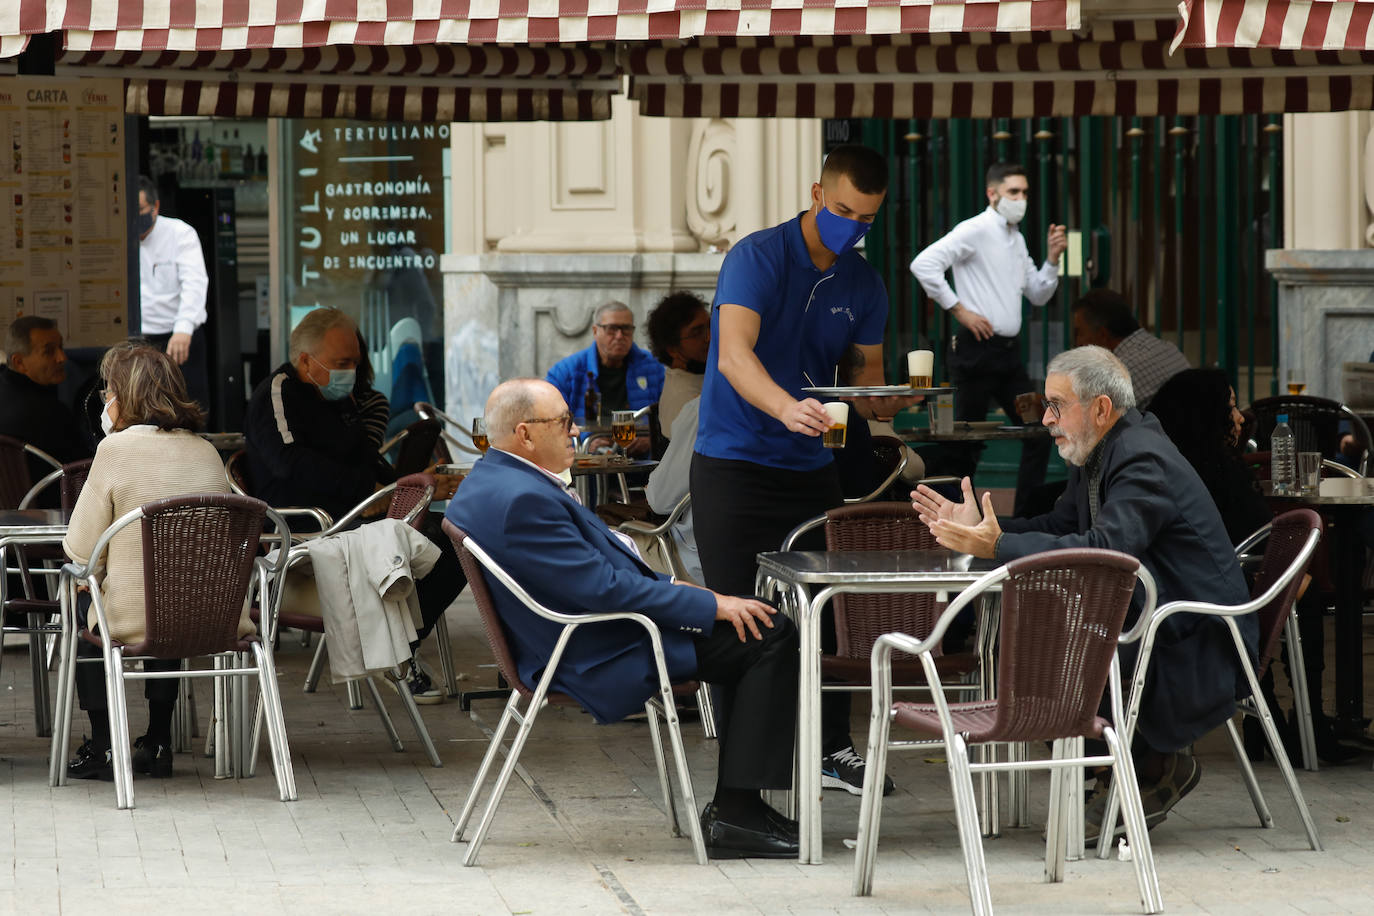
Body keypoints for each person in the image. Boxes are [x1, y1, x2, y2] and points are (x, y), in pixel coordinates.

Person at [447, 379, 800, 859]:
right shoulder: (521, 498)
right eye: (563, 423)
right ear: (526, 435)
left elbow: (595, 577)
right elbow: (602, 590)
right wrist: (709, 605)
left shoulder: (494, 479)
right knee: (768, 632)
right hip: (598, 650)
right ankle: (738, 812)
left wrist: (687, 594)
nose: (573, 432)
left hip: (589, 634)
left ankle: (742, 806)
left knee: (749, 621)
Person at [912, 346, 1253, 840]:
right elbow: (1060, 524)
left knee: (1066, 637)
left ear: (1099, 408)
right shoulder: (1100, 447)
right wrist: (988, 527)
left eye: (1057, 405)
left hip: (1199, 635)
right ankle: (1115, 770)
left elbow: (1107, 547)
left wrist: (999, 544)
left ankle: (1141, 769)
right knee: (1050, 631)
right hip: (1158, 619)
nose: (1047, 419)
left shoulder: (1140, 454)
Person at [691, 143, 915, 796]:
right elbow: (734, 356)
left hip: (812, 471)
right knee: (740, 619)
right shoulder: (757, 257)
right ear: (817, 193)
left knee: (828, 614)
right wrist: (788, 407)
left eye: (866, 220)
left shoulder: (865, 283)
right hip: (733, 466)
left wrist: (894, 399)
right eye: (844, 210)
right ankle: (740, 788)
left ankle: (829, 747)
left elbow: (866, 379)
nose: (853, 228)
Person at [243, 307, 464, 703]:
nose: (350, 372)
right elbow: (289, 463)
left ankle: (398, 651)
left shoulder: (341, 397)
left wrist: (400, 483)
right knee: (413, 545)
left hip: (355, 517)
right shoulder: (278, 393)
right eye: (341, 363)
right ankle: (390, 655)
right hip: (307, 529)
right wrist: (370, 491)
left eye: (355, 364)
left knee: (453, 544)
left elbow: (363, 456)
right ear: (306, 361)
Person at [62, 342, 229, 780]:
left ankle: (103, 743)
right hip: (212, 616)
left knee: (87, 601)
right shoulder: (207, 451)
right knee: (169, 591)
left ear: (125, 396)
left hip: (132, 618)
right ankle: (157, 737)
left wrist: (91, 576)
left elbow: (80, 550)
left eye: (107, 393)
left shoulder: (113, 451)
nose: (104, 402)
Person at [909, 162, 1066, 514]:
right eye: (1014, 192)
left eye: (1025, 192)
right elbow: (923, 264)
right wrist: (958, 309)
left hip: (1009, 356)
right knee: (965, 445)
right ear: (992, 194)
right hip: (975, 352)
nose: (1021, 199)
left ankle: (1027, 517)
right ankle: (961, 520)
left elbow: (1039, 293)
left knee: (1039, 431)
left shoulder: (1017, 237)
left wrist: (1053, 259)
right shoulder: (975, 230)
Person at [546, 301, 664, 456]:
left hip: (641, 462)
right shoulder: (566, 372)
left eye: (626, 329)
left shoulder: (653, 368)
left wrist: (652, 440)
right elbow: (548, 424)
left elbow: (673, 418)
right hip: (587, 466)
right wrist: (584, 442)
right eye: (612, 329)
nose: (620, 336)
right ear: (595, 331)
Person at [137, 176, 210, 410]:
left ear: (155, 207)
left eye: (138, 210)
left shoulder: (180, 233)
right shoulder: (116, 235)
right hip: (137, 339)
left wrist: (183, 329)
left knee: (186, 410)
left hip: (178, 336)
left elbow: (194, 283)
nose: (132, 217)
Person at [0, 316, 92, 487]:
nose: (62, 357)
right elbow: (86, 471)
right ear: (19, 362)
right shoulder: (51, 414)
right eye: (49, 351)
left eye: (61, 347)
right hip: (50, 507)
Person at [1072, 288, 1190, 409]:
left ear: (1102, 335)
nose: (1077, 343)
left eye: (1079, 333)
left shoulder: (1115, 376)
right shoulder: (1169, 349)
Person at [645, 291, 711, 434]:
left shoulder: (701, 374)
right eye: (697, 333)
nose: (709, 337)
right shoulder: (683, 396)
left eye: (710, 326)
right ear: (672, 349)